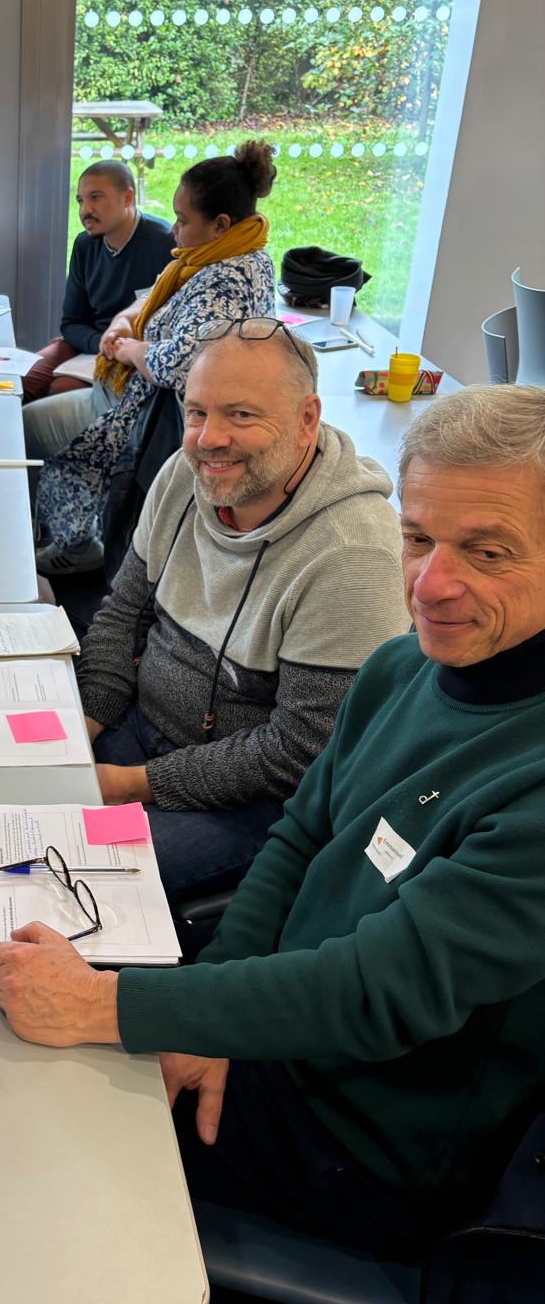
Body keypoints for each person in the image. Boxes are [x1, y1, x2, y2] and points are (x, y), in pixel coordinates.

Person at [0, 383, 545, 1258]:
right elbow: (300, 839)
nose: (430, 584)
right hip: (281, 1025)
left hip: (360, 1140)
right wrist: (204, 1016)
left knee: (26, 1135)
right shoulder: (400, 669)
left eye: (487, 551)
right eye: (418, 538)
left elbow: (374, 991)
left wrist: (111, 1005)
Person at [79, 318, 407, 903]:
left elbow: (299, 751)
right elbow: (123, 613)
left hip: (248, 801)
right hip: (137, 734)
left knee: (68, 864)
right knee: (6, 805)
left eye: (241, 415)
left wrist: (128, 785)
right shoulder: (185, 475)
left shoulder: (352, 553)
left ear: (306, 419)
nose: (208, 439)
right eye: (197, 412)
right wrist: (82, 727)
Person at [30, 140, 277, 576]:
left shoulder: (225, 278)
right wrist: (124, 320)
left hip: (146, 418)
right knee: (29, 420)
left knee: (26, 431)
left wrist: (128, 349)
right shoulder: (218, 257)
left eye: (183, 220)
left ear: (220, 224)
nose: (174, 231)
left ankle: (76, 547)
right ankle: (76, 540)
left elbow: (179, 363)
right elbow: (151, 299)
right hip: (132, 400)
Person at [21, 163, 172, 403]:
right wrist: (101, 343)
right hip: (90, 344)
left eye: (96, 198)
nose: (85, 210)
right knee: (19, 382)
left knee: (62, 387)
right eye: (80, 200)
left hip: (133, 352)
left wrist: (117, 347)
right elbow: (71, 323)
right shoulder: (85, 245)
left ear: (127, 198)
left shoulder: (165, 243)